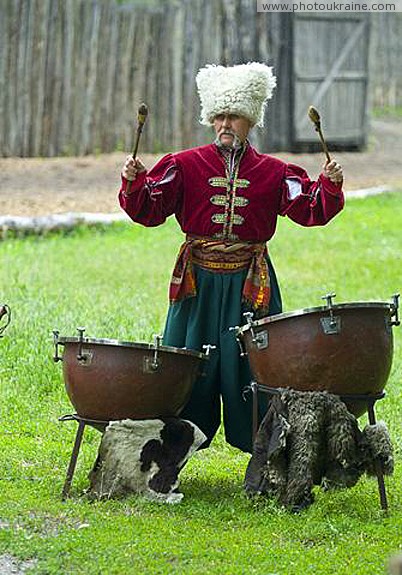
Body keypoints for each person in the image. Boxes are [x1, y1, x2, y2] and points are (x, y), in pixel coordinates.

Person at [118, 62, 344, 454]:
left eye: (234, 116)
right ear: (210, 118)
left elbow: (310, 208)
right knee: (188, 368)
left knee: (257, 369)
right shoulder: (184, 165)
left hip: (250, 287)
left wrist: (329, 184)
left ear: (249, 120)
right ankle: (172, 453)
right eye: (219, 116)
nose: (225, 124)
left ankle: (268, 455)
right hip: (198, 287)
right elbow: (149, 209)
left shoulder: (274, 172)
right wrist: (135, 182)